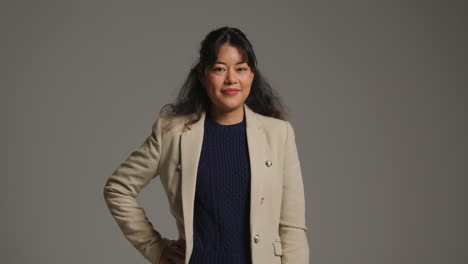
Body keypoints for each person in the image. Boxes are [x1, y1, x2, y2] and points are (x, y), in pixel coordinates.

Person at [103, 26, 309, 264]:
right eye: (220, 69)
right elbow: (117, 189)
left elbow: (291, 226)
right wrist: (155, 248)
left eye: (240, 69)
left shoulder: (278, 134)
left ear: (252, 74)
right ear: (202, 74)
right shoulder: (172, 133)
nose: (231, 79)